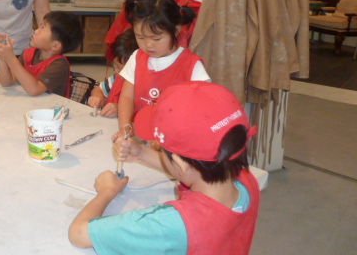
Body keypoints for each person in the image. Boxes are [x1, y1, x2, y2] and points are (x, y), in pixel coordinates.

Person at [69, 82, 260, 255]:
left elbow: (79, 234)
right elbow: (194, 170)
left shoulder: (169, 224)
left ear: (180, 164)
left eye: (161, 149)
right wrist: (141, 153)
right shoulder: (246, 181)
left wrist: (107, 191)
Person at [116, 0, 209, 136]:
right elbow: (127, 97)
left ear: (176, 30)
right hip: (140, 133)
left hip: (174, 139)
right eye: (140, 37)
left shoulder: (192, 66)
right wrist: (125, 128)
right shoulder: (137, 57)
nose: (148, 45)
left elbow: (200, 111)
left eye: (156, 39)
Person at [0, 11, 83, 97]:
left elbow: (34, 90)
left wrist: (11, 58)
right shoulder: (28, 54)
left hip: (50, 109)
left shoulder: (59, 65)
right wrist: (3, 56)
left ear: (55, 45)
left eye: (43, 28)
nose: (36, 31)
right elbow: (7, 82)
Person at [87, 29, 138, 118]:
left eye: (127, 69)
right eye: (117, 66)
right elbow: (98, 90)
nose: (120, 73)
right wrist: (97, 97)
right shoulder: (116, 79)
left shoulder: (147, 88)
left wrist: (122, 110)